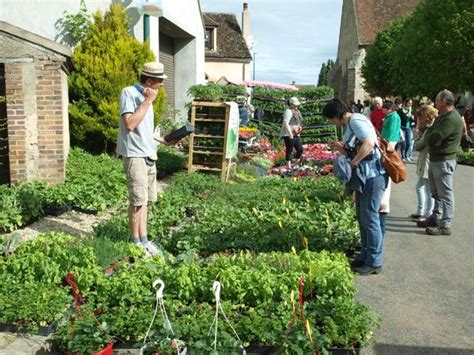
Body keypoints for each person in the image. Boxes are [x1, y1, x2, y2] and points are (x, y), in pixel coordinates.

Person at [117, 62, 175, 256]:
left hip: (149, 154)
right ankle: (135, 242)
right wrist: (147, 102)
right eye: (159, 81)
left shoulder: (147, 99)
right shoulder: (129, 93)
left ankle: (144, 240)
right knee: (137, 201)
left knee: (145, 201)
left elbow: (146, 131)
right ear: (149, 81)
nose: (162, 85)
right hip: (135, 155)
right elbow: (130, 124)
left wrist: (164, 140)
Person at [323, 98, 386, 275]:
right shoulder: (349, 124)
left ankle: (374, 261)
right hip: (362, 178)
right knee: (362, 216)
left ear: (336, 115)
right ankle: (365, 255)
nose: (331, 123)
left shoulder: (356, 120)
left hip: (372, 176)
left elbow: (369, 144)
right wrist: (339, 148)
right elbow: (353, 150)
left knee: (370, 218)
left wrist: (352, 164)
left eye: (330, 119)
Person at [417, 90, 464, 236]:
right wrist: (432, 136)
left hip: (444, 160)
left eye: (437, 99)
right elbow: (432, 134)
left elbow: (432, 137)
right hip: (436, 159)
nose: (435, 102)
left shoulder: (450, 119)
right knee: (436, 192)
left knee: (445, 193)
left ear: (444, 101)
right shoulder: (442, 117)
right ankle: (435, 217)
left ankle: (445, 225)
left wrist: (432, 136)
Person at [410, 106, 438, 222]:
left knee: (427, 189)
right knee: (421, 187)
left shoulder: (429, 129)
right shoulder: (429, 128)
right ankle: (421, 211)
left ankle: (427, 213)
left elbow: (417, 145)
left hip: (427, 161)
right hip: (425, 159)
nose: (419, 119)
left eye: (420, 117)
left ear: (426, 117)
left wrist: (416, 131)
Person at [379, 101, 401, 235]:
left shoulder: (393, 117)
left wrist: (386, 144)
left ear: (389, 109)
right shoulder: (391, 116)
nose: (382, 111)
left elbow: (392, 131)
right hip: (386, 141)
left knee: (387, 165)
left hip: (389, 142)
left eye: (384, 109)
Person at [280, 97, 304, 169]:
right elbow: (285, 123)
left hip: (296, 133)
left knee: (300, 149)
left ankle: (295, 164)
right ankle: (289, 167)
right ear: (291, 104)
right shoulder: (288, 111)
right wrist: (290, 134)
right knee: (289, 150)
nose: (297, 106)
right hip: (288, 134)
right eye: (295, 104)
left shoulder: (297, 111)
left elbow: (300, 122)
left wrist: (300, 128)